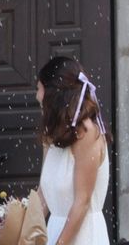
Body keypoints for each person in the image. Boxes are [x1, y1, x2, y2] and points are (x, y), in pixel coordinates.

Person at [36, 56, 110, 245]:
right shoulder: (51, 134)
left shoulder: (88, 133)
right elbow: (44, 194)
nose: (38, 97)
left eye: (39, 89)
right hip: (55, 230)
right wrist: (20, 228)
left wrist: (60, 244)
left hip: (83, 235)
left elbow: (82, 202)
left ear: (54, 93)